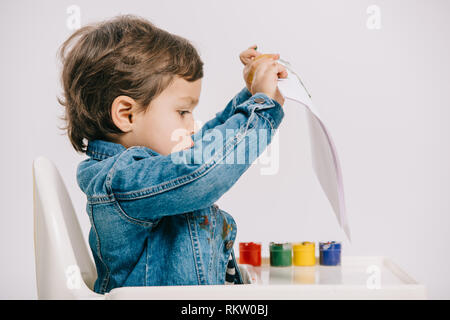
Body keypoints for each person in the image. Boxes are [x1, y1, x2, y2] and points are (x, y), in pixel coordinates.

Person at [58, 14, 287, 294]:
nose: (191, 124)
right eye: (182, 112)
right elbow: (200, 171)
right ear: (126, 114)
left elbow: (203, 150)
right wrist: (261, 108)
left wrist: (251, 95)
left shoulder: (152, 167)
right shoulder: (122, 178)